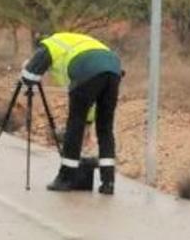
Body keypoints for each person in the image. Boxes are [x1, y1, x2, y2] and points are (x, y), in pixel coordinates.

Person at [19, 32, 123, 194]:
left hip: (88, 68)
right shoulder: (77, 42)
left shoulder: (49, 45)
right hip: (114, 68)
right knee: (105, 128)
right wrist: (89, 121)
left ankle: (66, 179)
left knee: (75, 124)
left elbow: (29, 77)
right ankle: (108, 182)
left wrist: (26, 68)